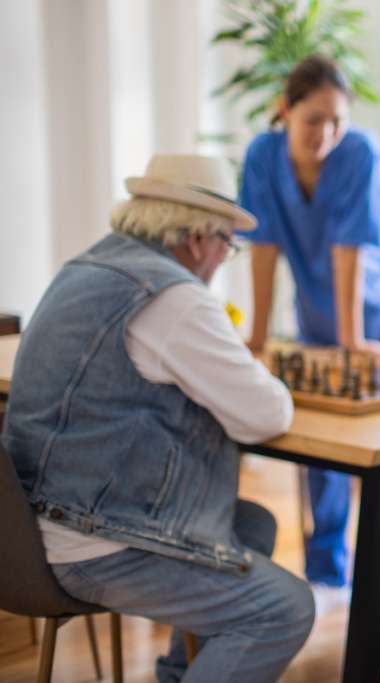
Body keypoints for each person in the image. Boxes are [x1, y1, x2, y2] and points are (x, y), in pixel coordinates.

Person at [2, 154, 313, 682]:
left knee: (250, 524)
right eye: (226, 246)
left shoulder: (86, 268)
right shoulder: (173, 297)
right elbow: (265, 414)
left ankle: (181, 673)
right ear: (197, 239)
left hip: (27, 528)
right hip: (92, 539)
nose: (221, 261)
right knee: (283, 609)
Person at [239, 54, 380, 608]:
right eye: (313, 119)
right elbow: (264, 249)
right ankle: (328, 571)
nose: (327, 133)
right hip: (321, 313)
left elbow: (350, 252)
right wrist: (258, 336)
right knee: (325, 445)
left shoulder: (359, 153)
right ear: (284, 110)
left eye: (337, 121)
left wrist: (350, 340)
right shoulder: (261, 156)